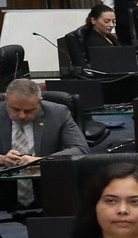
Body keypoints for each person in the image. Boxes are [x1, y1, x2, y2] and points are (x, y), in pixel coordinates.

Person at [4, 80, 89, 212]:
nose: (21, 116)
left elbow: (80, 149)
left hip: (49, 187)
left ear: (39, 102)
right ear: (6, 99)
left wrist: (41, 161)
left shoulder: (58, 113)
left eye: (29, 110)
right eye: (15, 109)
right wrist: (2, 159)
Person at [61, 5, 125, 70]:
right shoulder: (92, 40)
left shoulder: (111, 37)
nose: (111, 25)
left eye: (114, 21)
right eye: (106, 21)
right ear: (93, 20)